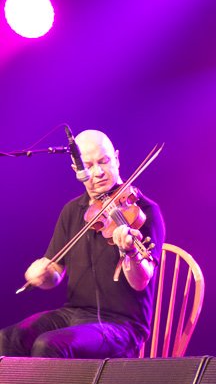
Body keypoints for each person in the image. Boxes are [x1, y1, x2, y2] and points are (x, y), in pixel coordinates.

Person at [0, 129, 165, 358]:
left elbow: (140, 282)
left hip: (122, 325)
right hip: (74, 314)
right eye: (88, 166)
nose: (97, 172)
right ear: (76, 170)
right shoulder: (72, 210)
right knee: (8, 338)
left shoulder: (144, 211)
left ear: (116, 158)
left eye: (104, 161)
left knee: (49, 345)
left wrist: (130, 252)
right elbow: (55, 273)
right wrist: (41, 275)